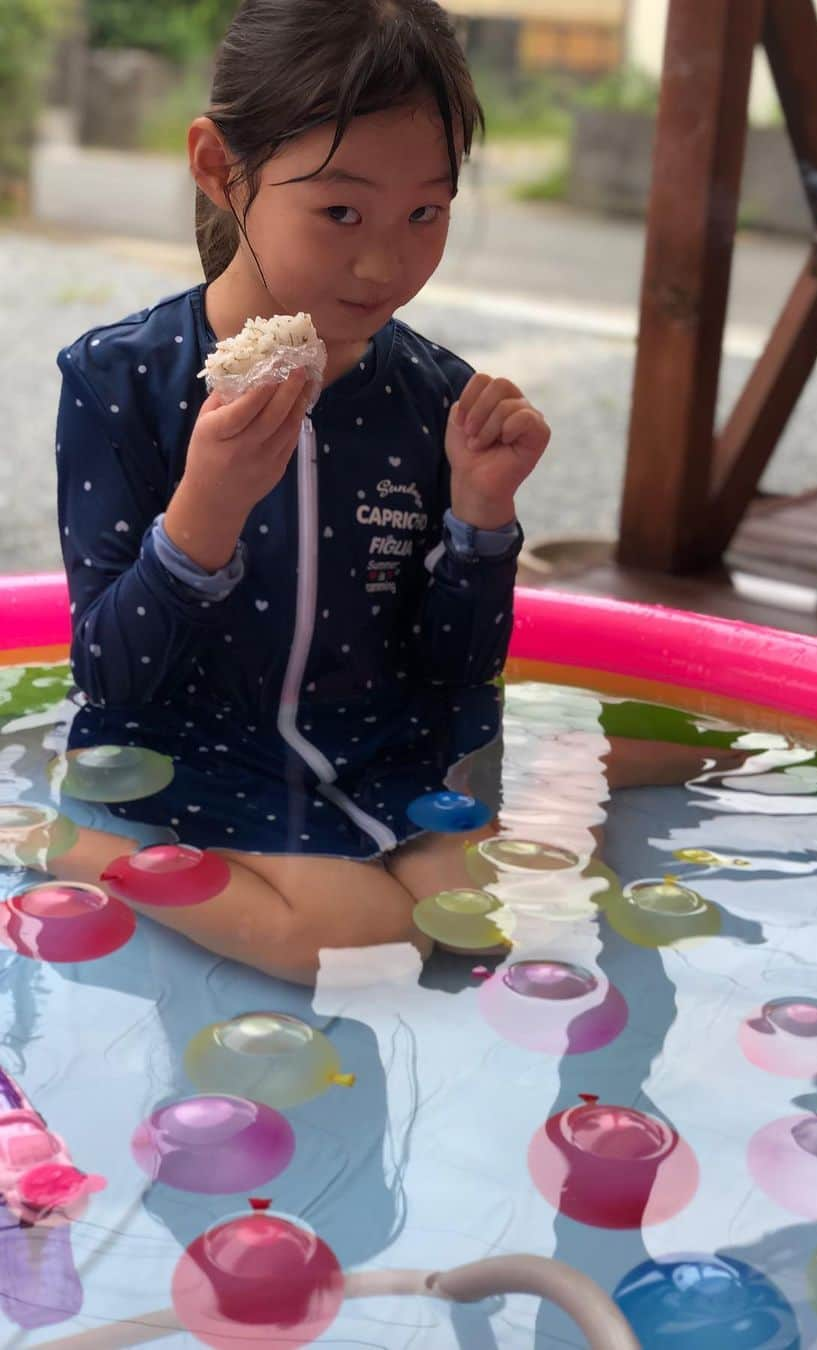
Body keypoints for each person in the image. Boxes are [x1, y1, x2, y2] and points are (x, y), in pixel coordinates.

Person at [49, 0, 551, 984]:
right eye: (339, 212)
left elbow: (457, 668)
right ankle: (66, 846)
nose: (384, 263)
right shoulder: (123, 381)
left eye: (427, 213)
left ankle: (360, 863)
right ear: (218, 168)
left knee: (488, 923)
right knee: (368, 942)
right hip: (191, 754)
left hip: (379, 752)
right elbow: (109, 673)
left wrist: (483, 518)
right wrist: (207, 509)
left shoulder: (434, 397)